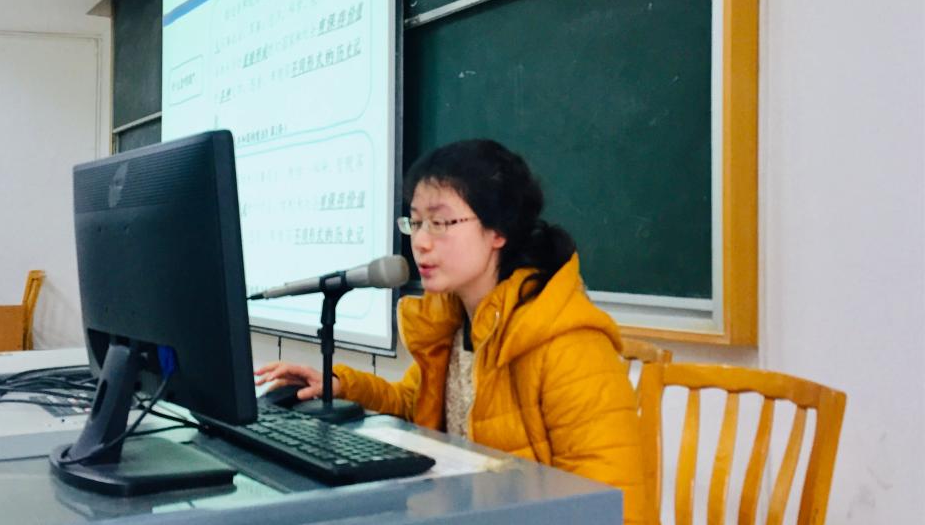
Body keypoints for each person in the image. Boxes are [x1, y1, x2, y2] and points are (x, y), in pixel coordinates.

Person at [256, 139, 646, 524]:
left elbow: (617, 505)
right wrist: (341, 385)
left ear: (499, 230)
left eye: (440, 222)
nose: (420, 242)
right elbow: (414, 404)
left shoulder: (567, 343)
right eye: (416, 222)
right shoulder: (457, 321)